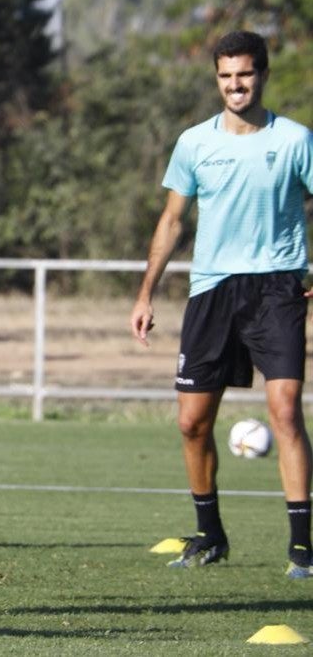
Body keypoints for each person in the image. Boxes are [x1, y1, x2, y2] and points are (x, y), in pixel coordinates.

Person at [130, 30, 313, 579]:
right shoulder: (194, 143)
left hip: (279, 287)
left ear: (262, 75)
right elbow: (171, 221)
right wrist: (145, 293)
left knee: (284, 411)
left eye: (246, 73)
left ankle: (302, 547)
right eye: (226, 75)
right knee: (191, 423)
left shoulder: (297, 139)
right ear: (217, 78)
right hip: (212, 291)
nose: (236, 84)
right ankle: (210, 536)